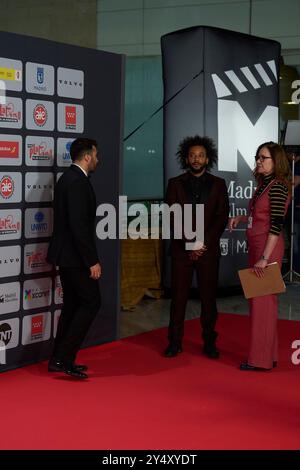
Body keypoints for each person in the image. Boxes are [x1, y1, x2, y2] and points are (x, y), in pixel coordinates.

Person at [164, 135, 229, 358]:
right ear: (186, 158)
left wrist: (203, 243)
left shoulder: (219, 184)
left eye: (200, 155)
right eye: (192, 155)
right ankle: (174, 342)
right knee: (178, 299)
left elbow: (221, 217)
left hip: (208, 251)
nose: (196, 159)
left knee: (208, 299)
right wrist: (191, 242)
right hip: (182, 250)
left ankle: (210, 342)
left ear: (207, 158)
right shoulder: (174, 183)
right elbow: (172, 216)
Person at [229, 141, 291, 371]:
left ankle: (259, 360)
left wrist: (265, 257)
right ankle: (269, 355)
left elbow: (276, 224)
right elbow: (261, 215)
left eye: (264, 157)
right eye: (258, 157)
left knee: (262, 304)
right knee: (263, 305)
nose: (258, 161)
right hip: (258, 246)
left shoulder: (277, 186)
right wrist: (243, 218)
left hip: (267, 248)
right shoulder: (265, 184)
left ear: (277, 161)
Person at [47, 138, 102, 379]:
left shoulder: (68, 178)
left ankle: (59, 358)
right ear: (88, 156)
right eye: (96, 155)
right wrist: (91, 261)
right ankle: (64, 358)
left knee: (72, 305)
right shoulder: (77, 181)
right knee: (91, 302)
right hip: (76, 257)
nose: (98, 160)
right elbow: (78, 226)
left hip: (66, 255)